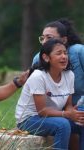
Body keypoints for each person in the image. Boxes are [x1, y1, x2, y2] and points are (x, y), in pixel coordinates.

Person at [15, 39, 84, 150]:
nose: (64, 56)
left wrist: (73, 112)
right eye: (59, 53)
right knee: (62, 125)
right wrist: (67, 114)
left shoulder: (69, 75)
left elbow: (68, 105)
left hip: (54, 116)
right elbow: (42, 111)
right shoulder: (38, 76)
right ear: (46, 57)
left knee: (82, 118)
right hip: (29, 120)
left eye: (65, 53)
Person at [32, 18, 84, 150]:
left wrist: (74, 111)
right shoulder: (38, 59)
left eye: (49, 37)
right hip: (48, 111)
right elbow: (39, 105)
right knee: (65, 123)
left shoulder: (78, 52)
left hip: (76, 106)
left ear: (64, 40)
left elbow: (69, 104)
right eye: (42, 38)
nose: (44, 42)